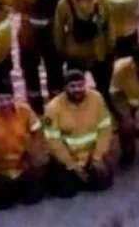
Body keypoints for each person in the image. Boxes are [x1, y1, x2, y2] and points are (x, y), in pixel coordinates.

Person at [13, 0, 72, 114]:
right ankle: (57, 103)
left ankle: (36, 106)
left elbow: (17, 7)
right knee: (55, 71)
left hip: (30, 36)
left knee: (31, 73)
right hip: (54, 34)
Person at [44, 69, 115, 197]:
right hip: (67, 158)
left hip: (91, 155)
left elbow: (105, 129)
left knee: (103, 183)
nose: (77, 89)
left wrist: (97, 158)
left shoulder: (97, 98)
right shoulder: (53, 108)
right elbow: (53, 141)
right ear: (65, 88)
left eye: (80, 85)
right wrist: (72, 165)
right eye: (72, 86)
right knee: (65, 192)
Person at [54, 0, 115, 107]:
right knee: (71, 89)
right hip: (76, 56)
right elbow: (58, 30)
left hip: (98, 53)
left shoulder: (101, 0)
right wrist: (62, 51)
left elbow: (109, 25)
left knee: (104, 88)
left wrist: (110, 46)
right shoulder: (64, 4)